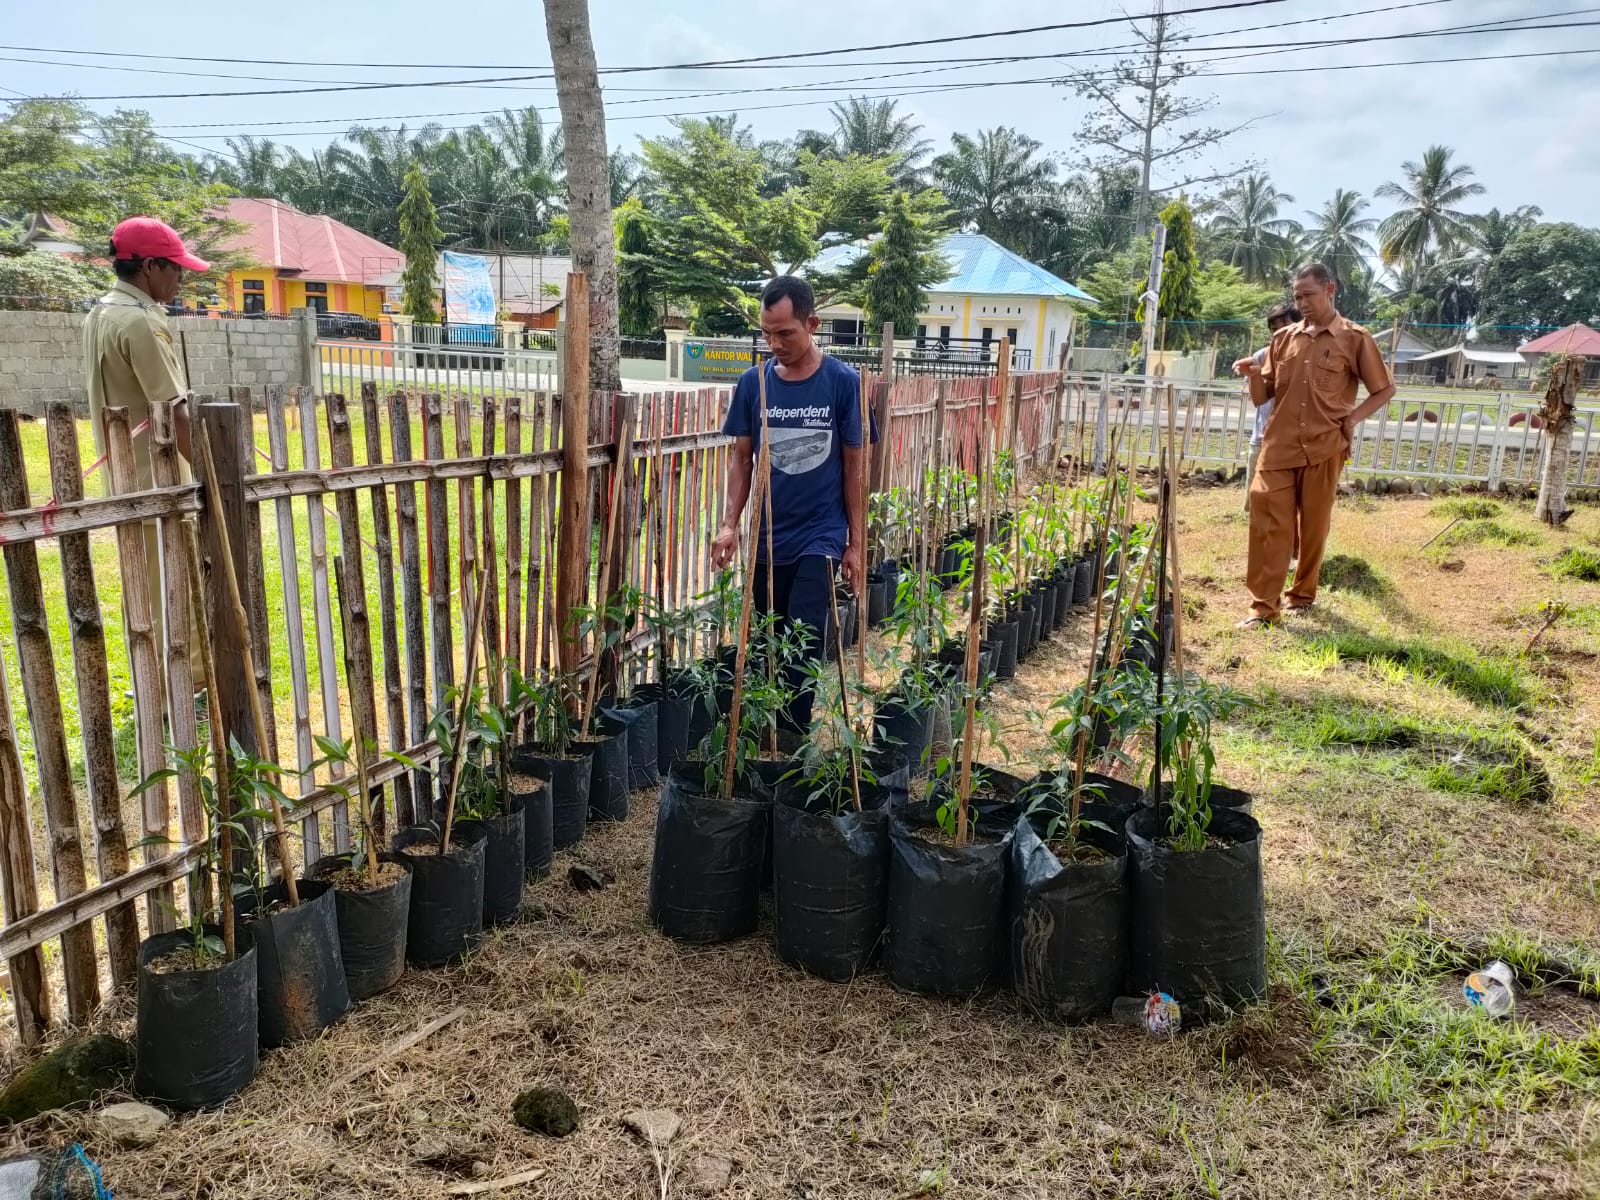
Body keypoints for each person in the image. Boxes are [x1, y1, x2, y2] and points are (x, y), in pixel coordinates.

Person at [710, 276, 867, 733]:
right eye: (767, 333)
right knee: (771, 638)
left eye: (785, 333)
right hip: (767, 534)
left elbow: (855, 468)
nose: (774, 343)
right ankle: (766, 732)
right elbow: (741, 459)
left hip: (821, 532)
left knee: (804, 633)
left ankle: (791, 738)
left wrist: (856, 544)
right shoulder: (753, 383)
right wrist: (728, 525)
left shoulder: (843, 383)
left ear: (812, 323)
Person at [1236, 263, 1394, 628]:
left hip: (1325, 445)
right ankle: (1263, 606)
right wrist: (1254, 375)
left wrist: (1351, 419)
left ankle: (1302, 593)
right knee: (1267, 520)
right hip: (1279, 444)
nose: (1302, 302)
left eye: (1308, 295)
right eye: (1296, 296)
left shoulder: (1355, 338)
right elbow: (1264, 397)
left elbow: (1384, 388)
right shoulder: (1283, 339)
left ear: (1330, 290)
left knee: (1314, 525)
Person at [83, 216, 206, 678]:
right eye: (176, 268)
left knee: (144, 580)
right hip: (157, 476)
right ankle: (186, 687)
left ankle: (151, 676)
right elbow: (173, 411)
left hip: (125, 473)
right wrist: (217, 473)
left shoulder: (100, 313)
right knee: (174, 580)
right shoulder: (138, 323)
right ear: (150, 266)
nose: (181, 278)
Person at [1234, 301, 1300, 514]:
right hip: (1262, 439)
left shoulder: (1305, 358)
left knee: (1287, 504)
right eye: (1274, 330)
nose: (1278, 334)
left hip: (1293, 442)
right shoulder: (1263, 355)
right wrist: (1254, 374)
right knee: (1256, 500)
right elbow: (1259, 400)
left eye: (1284, 327)